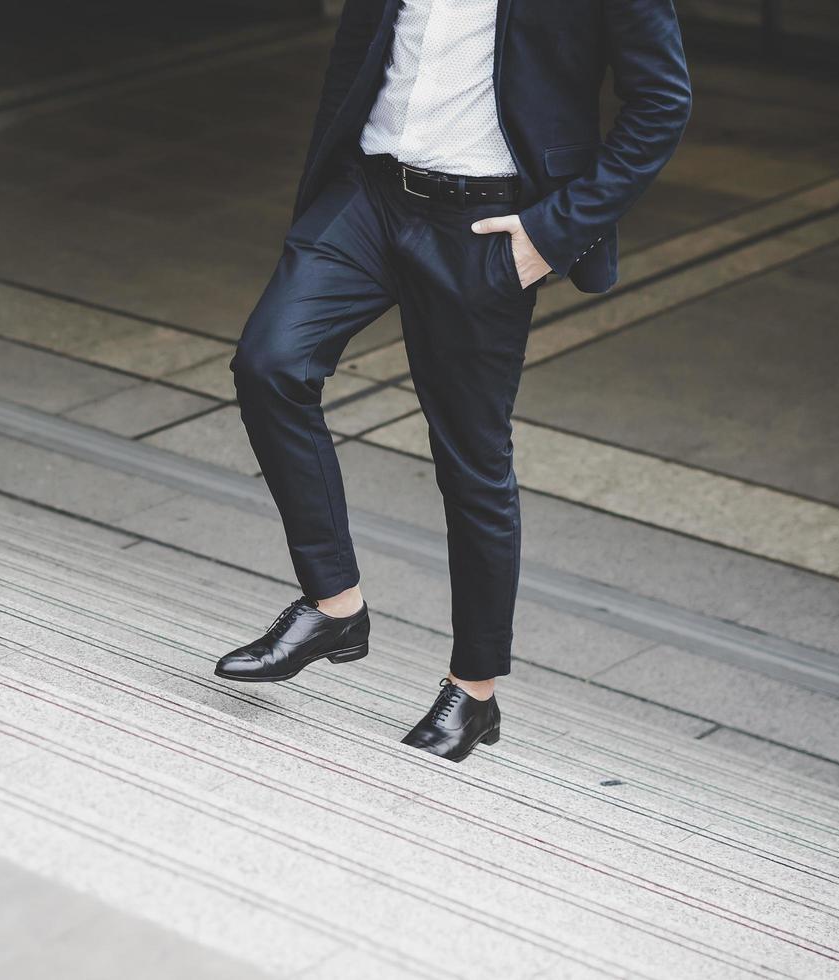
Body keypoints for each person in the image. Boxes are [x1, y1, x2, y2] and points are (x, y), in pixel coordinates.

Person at [213, 0, 691, 761]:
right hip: (368, 196)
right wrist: (327, 182)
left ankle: (473, 694)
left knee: (470, 460)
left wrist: (553, 233)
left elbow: (662, 104)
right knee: (269, 363)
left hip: (488, 229)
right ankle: (334, 603)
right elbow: (357, 51)